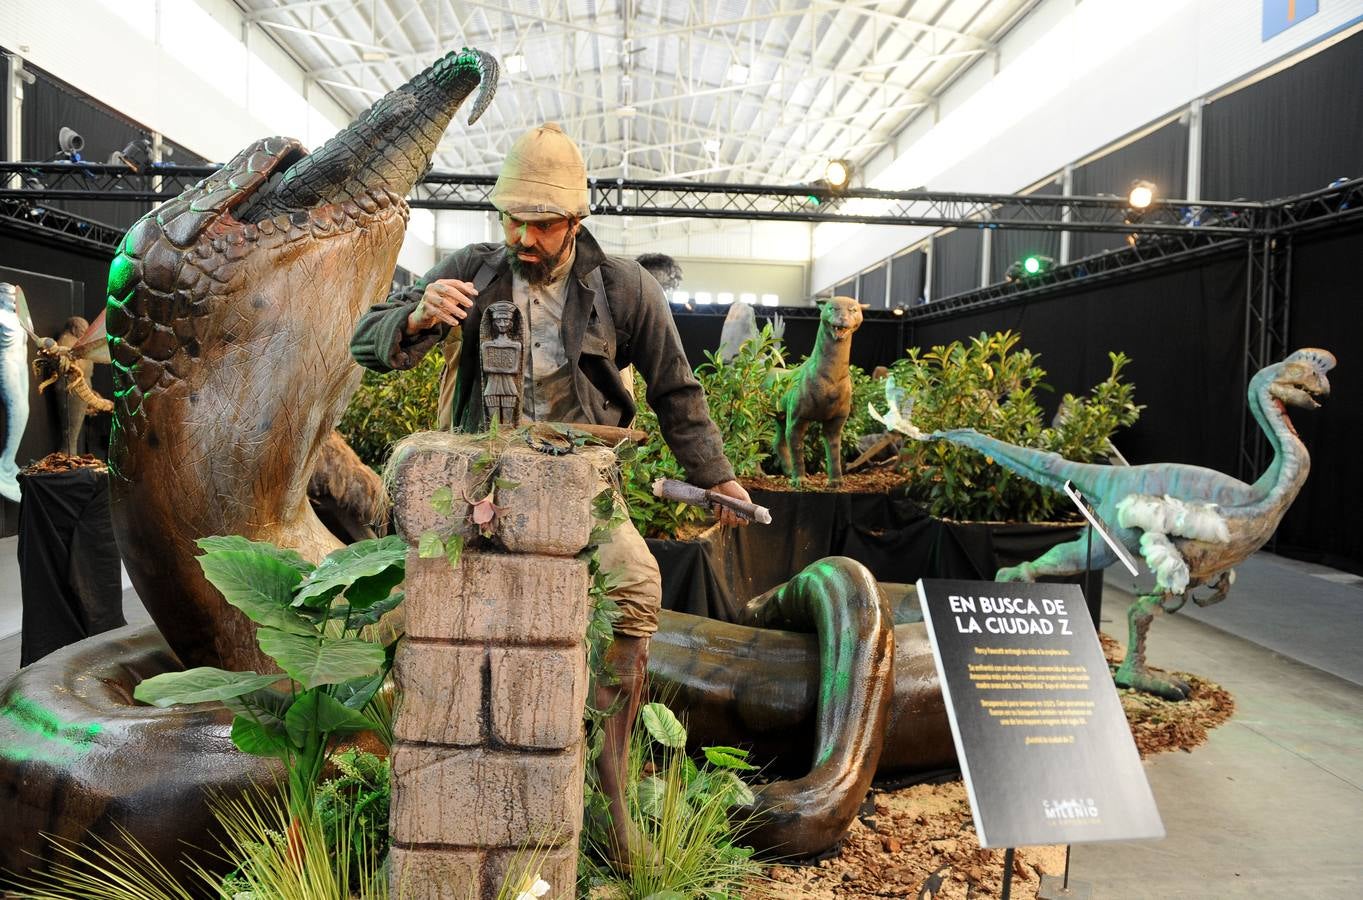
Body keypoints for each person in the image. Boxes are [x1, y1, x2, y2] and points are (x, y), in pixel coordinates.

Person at [349, 122, 752, 870]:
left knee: (634, 586)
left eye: (539, 222)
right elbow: (366, 341)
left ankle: (607, 774)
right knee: (422, 610)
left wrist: (716, 476)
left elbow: (674, 389)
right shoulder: (473, 268)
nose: (522, 236)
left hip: (580, 485)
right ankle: (427, 773)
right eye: (511, 219)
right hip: (480, 479)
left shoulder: (622, 286)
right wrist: (415, 315)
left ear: (575, 220)